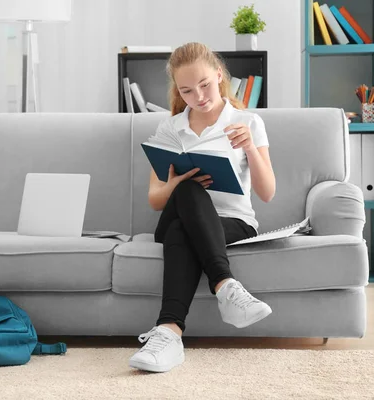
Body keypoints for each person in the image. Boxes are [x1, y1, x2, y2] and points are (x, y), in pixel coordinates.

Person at [128, 42, 277, 373]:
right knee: (189, 189)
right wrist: (178, 184)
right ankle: (226, 285)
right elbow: (155, 198)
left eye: (205, 84)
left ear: (219, 76)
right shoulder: (170, 128)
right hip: (175, 215)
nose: (198, 95)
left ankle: (168, 334)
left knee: (184, 230)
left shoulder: (247, 122)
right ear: (179, 92)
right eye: (187, 90)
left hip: (234, 222)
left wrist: (249, 147)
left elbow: (267, 193)